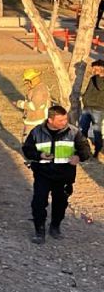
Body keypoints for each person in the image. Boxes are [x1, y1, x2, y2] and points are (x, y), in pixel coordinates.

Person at [22, 104, 93, 243]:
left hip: (64, 176)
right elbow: (27, 150)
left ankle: (55, 226)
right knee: (38, 202)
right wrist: (40, 155)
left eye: (65, 119)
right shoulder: (36, 132)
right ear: (50, 120)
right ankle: (39, 230)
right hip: (43, 174)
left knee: (60, 204)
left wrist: (79, 157)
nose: (64, 122)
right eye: (60, 120)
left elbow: (85, 150)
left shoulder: (74, 132)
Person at [14, 68, 51, 140]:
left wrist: (19, 104)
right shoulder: (36, 88)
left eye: (27, 82)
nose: (27, 85)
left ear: (32, 80)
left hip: (36, 122)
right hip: (33, 121)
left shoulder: (39, 91)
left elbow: (34, 106)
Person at [79, 59, 104, 158]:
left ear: (101, 68)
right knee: (83, 129)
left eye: (95, 68)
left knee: (96, 131)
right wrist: (84, 98)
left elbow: (100, 87)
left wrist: (98, 75)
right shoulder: (93, 78)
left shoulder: (98, 79)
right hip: (87, 107)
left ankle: (98, 150)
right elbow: (89, 90)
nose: (93, 70)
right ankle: (83, 150)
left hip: (98, 108)